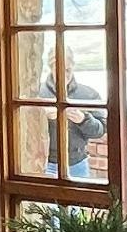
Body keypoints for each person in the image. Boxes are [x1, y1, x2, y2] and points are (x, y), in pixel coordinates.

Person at [43, 46, 105, 180]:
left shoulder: (88, 95)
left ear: (73, 66)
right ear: (50, 67)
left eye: (67, 70)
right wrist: (42, 117)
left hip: (77, 164)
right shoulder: (38, 94)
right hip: (45, 163)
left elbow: (100, 130)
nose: (63, 75)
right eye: (58, 69)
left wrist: (83, 119)